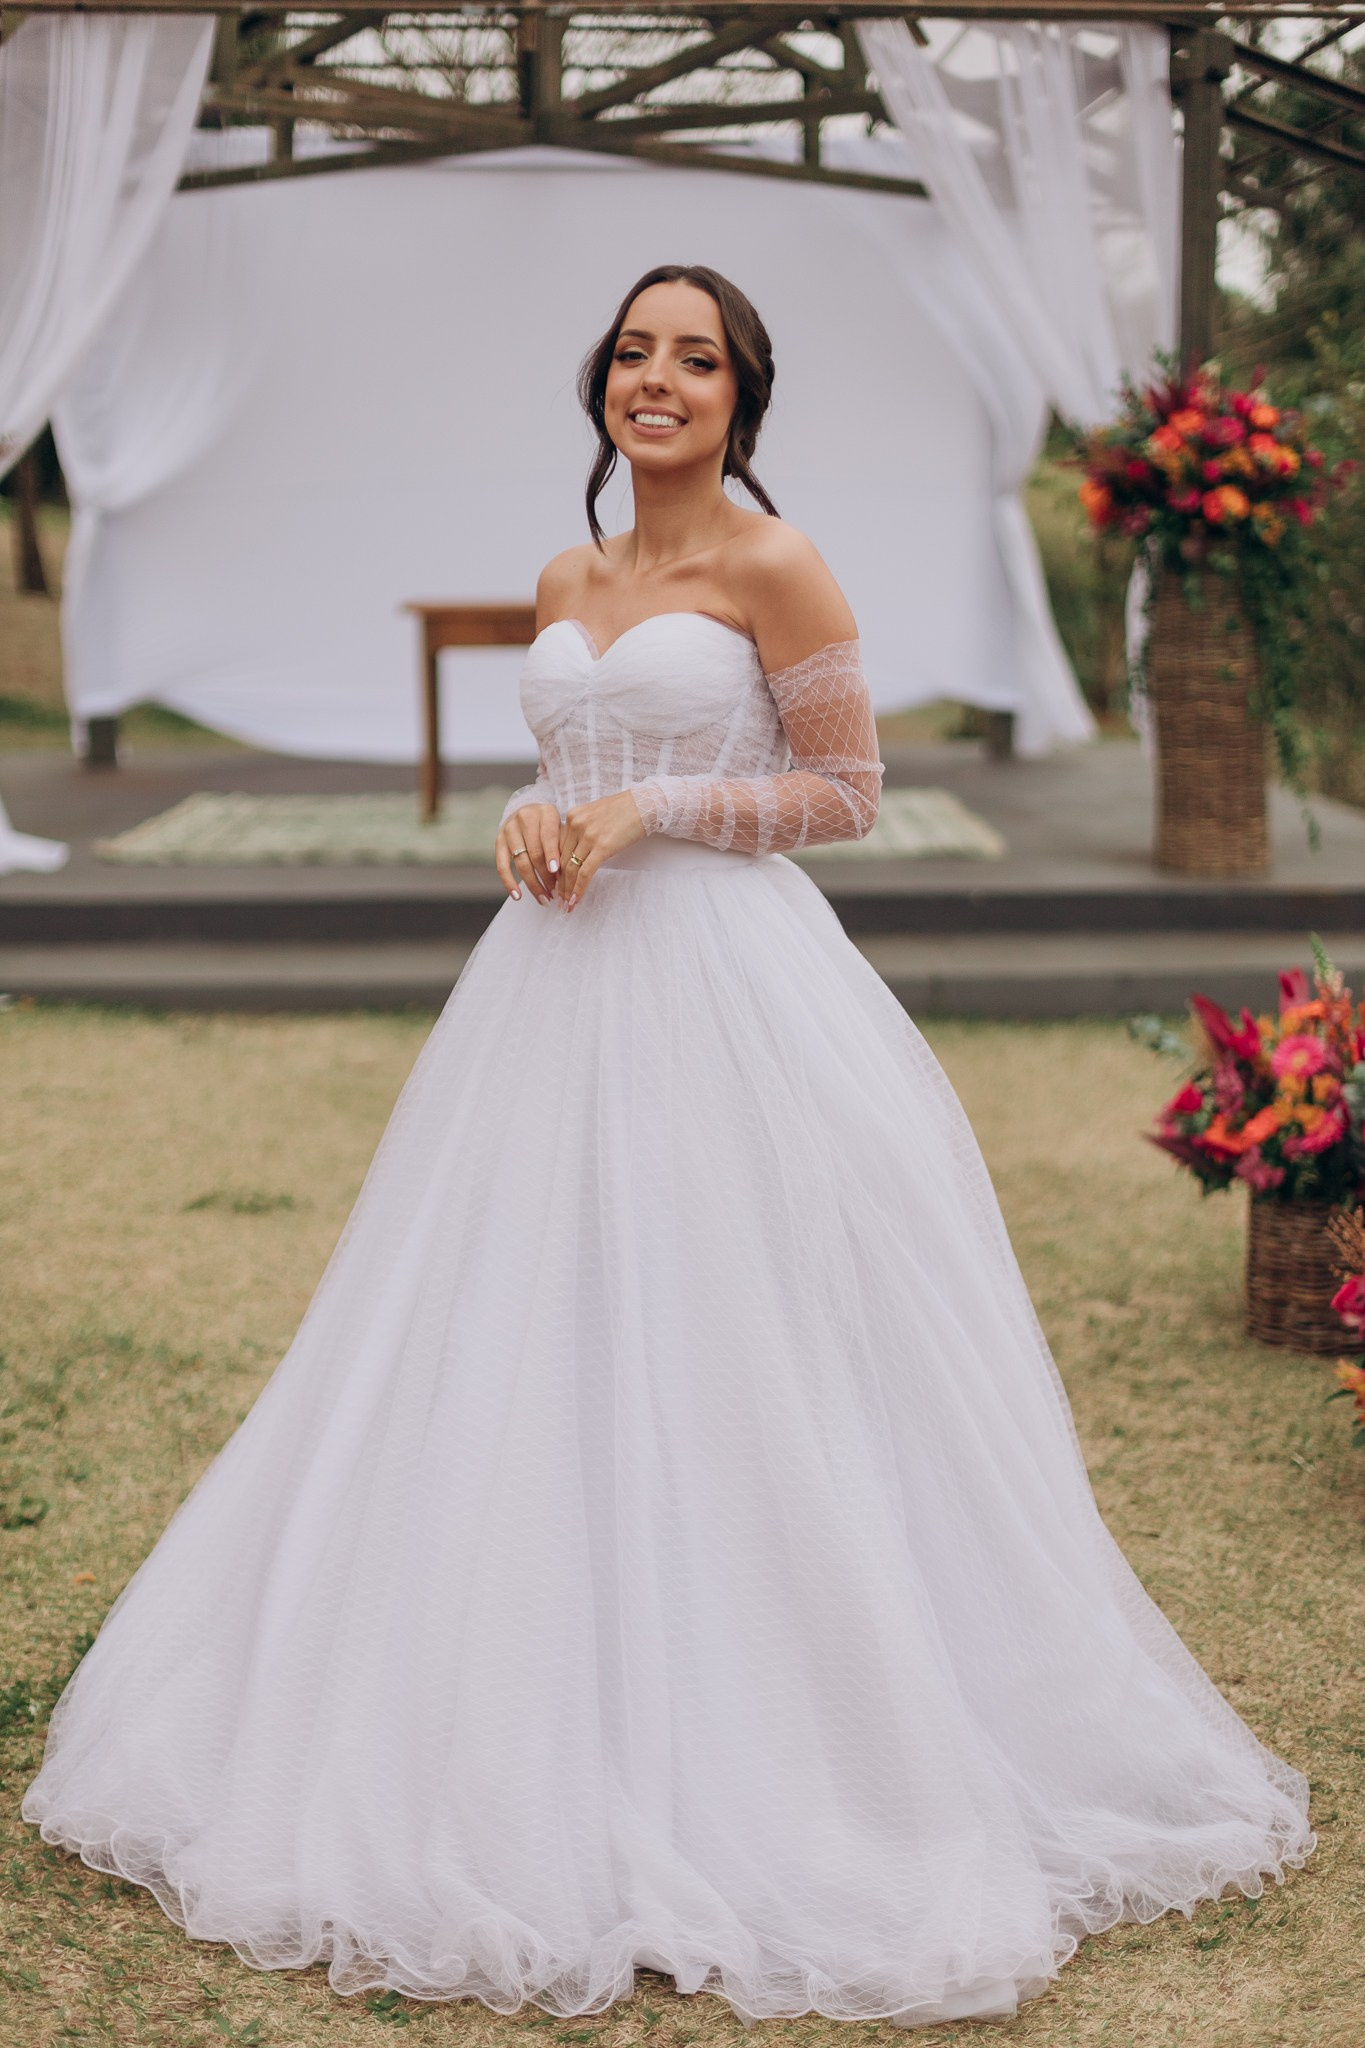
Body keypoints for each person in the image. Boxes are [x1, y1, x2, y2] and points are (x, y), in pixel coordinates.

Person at [24, 264, 1312, 2030]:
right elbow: (573, 760)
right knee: (504, 1333)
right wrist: (537, 815)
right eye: (634, 352)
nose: (658, 379)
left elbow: (846, 793)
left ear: (739, 399)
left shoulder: (776, 564)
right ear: (601, 385)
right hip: (550, 994)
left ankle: (786, 1743)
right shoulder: (568, 578)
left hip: (729, 987)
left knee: (739, 1342)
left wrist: (655, 806)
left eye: (694, 359)